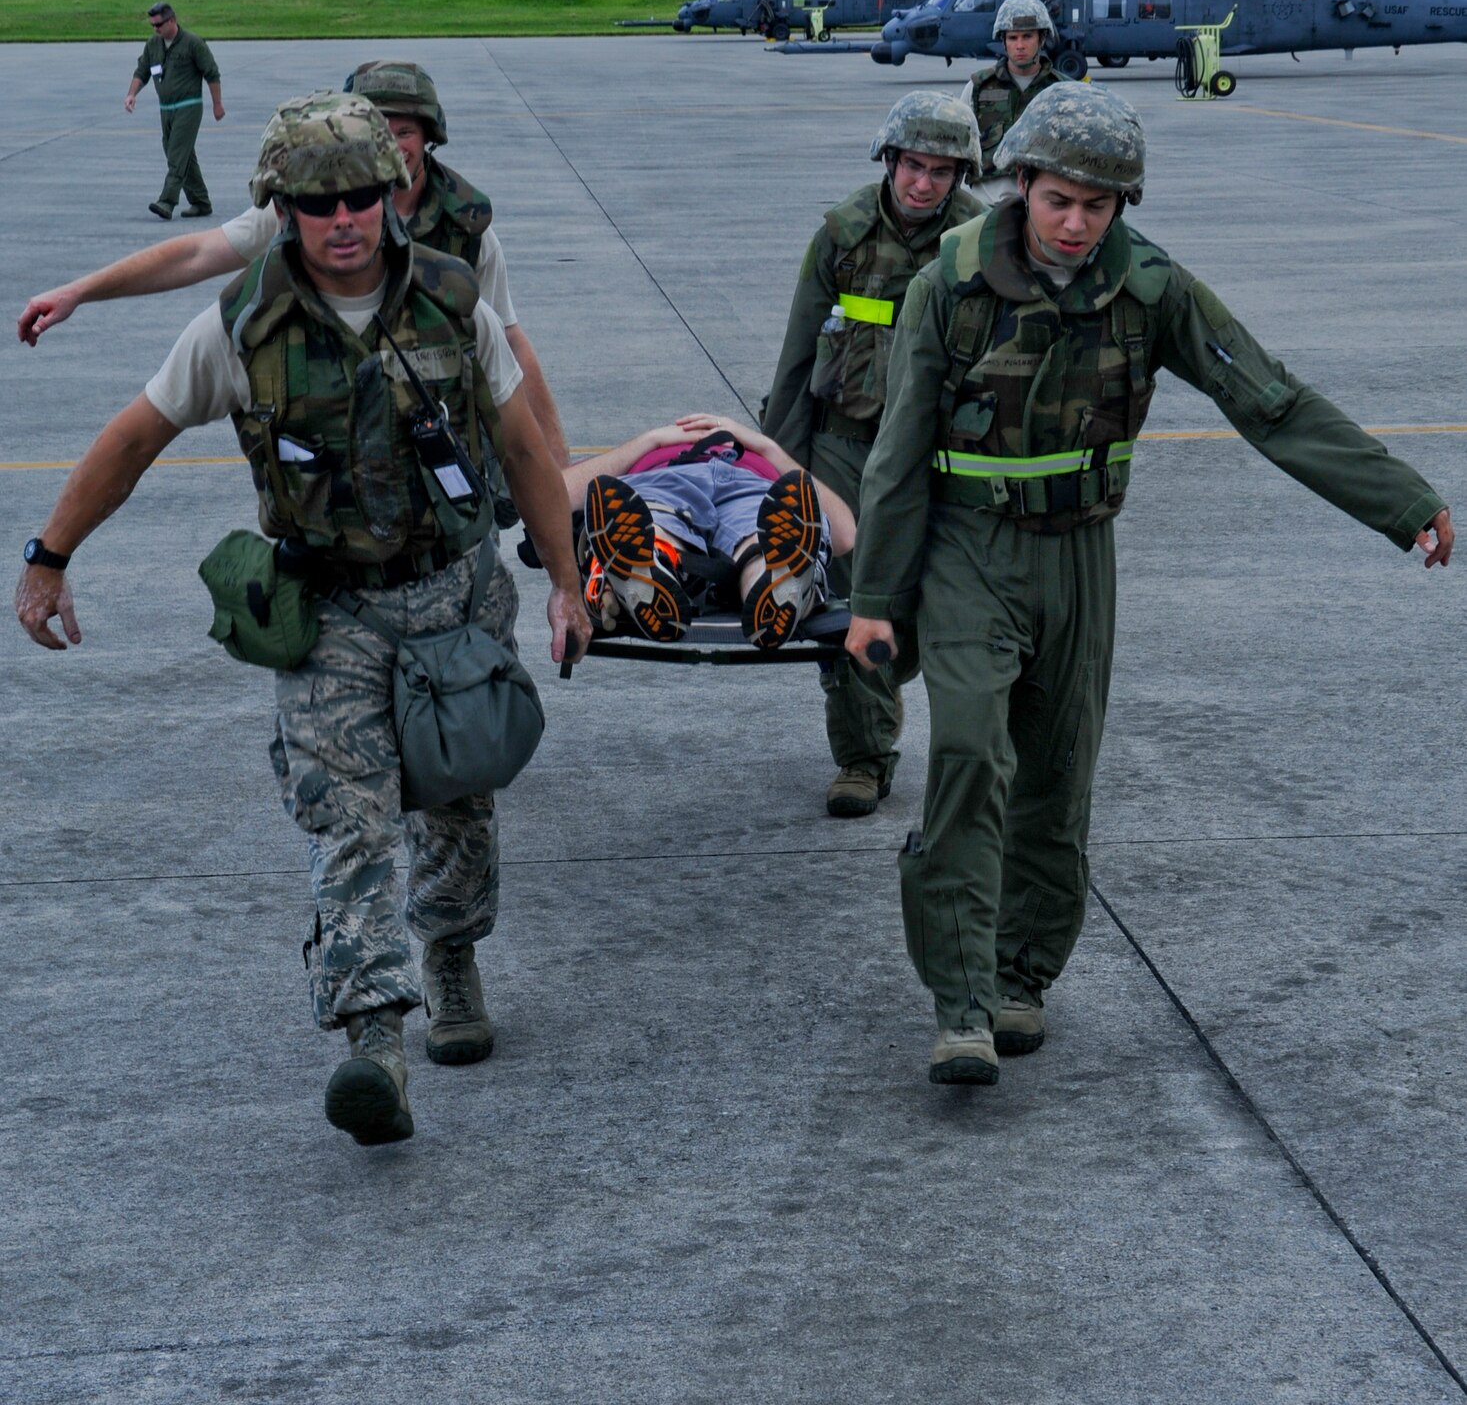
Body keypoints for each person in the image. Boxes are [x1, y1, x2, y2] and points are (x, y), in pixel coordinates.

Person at [843, 83, 1453, 1087]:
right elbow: (897, 455)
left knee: (1055, 771)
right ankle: (958, 1000)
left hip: (1080, 551)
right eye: (1059, 199)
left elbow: (1266, 398)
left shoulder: (1153, 287)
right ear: (1022, 185)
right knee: (965, 748)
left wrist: (1399, 497)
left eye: (1099, 203)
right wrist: (875, 599)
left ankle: (1019, 975)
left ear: (1123, 204)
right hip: (965, 545)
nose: (1077, 221)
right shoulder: (950, 283)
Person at [15, 91, 591, 1148]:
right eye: (316, 202)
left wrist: (565, 578)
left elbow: (520, 445)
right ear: (281, 209)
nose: (342, 220)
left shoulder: (453, 300)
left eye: (361, 196)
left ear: (390, 194)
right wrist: (49, 558)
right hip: (325, 609)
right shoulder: (239, 323)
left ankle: (451, 953)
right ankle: (372, 1036)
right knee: (348, 817)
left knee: (458, 801)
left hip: (453, 596)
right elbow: (133, 436)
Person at [19, 58, 568, 468]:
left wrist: (561, 476)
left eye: (406, 131)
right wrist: (81, 291)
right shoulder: (306, 213)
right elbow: (196, 252)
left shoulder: (467, 232)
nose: (394, 144)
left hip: (440, 438)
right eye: (381, 128)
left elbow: (513, 348)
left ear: (428, 139)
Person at [763, 93, 980, 816]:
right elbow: (797, 360)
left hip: (946, 458)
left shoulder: (982, 240)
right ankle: (862, 757)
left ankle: (960, 742)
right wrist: (781, 472)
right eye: (913, 166)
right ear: (889, 160)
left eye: (941, 171)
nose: (923, 184)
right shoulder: (842, 235)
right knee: (852, 604)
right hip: (847, 449)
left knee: (942, 606)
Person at [563, 414, 854, 650]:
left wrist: (766, 447)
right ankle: (649, 566)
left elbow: (846, 535)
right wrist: (650, 441)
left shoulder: (761, 460)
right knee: (653, 521)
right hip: (665, 477)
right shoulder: (652, 452)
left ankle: (776, 582)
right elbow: (557, 494)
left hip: (749, 485)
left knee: (764, 534)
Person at [124, 2, 225, 220]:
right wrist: (132, 94)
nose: (155, 29)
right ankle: (200, 201)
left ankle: (167, 201)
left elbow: (212, 74)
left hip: (188, 106)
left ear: (172, 20)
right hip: (166, 108)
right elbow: (142, 71)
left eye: (159, 24)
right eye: (152, 25)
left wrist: (217, 104)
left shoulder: (193, 43)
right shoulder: (153, 45)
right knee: (178, 152)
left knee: (177, 154)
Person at [965, 0, 1068, 209]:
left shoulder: (1062, 90)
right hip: (986, 205)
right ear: (1003, 41)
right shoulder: (978, 87)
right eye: (1013, 38)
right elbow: (959, 147)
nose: (1019, 45)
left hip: (1042, 207)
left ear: (1041, 38)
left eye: (1027, 36)